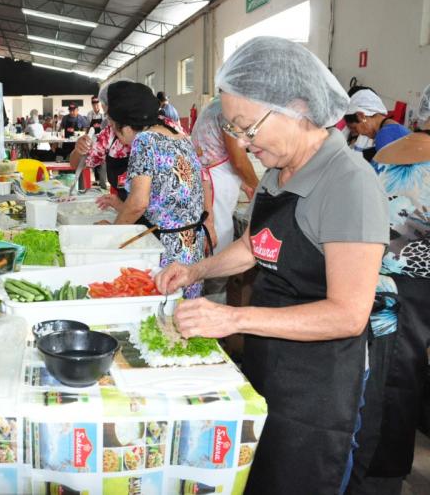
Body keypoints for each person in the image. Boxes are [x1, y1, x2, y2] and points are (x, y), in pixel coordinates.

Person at [154, 36, 389, 495]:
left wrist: (233, 317)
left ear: (295, 107)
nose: (242, 143)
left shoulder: (348, 183)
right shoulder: (279, 171)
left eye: (247, 128)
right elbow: (255, 245)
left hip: (322, 387)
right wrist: (196, 270)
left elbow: (348, 313)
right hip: (272, 362)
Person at [346, 83, 430, 495]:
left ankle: (369, 462)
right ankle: (383, 474)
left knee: (379, 377)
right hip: (413, 290)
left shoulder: (382, 155)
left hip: (376, 281)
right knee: (398, 382)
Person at [96, 81, 209, 298]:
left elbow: (139, 203)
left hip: (168, 253)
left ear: (127, 127)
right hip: (192, 248)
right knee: (183, 316)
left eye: (114, 127)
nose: (116, 135)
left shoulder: (144, 141)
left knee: (165, 316)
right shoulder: (179, 137)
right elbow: (168, 198)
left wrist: (111, 237)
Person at [190, 97, 259, 252]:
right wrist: (259, 187)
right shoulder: (230, 113)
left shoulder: (218, 104)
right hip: (214, 183)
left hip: (214, 177)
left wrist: (246, 183)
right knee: (218, 239)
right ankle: (213, 275)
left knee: (219, 234)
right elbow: (239, 161)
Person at [70, 80, 132, 199]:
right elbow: (76, 164)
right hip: (122, 205)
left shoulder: (154, 132)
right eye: (107, 115)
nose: (109, 121)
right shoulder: (109, 135)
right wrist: (79, 150)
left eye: (110, 114)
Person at [344, 88, 410, 159]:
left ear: (361, 116)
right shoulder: (393, 127)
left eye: (355, 128)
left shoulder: (385, 135)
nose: (358, 133)